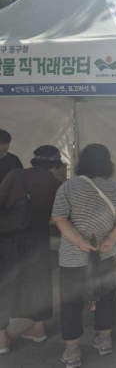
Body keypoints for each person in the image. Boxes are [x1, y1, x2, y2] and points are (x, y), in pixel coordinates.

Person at [52, 144, 116, 368]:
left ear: (83, 161)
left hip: (73, 255)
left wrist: (79, 241)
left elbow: (59, 218)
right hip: (106, 253)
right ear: (108, 162)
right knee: (105, 296)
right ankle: (104, 341)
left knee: (71, 302)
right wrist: (111, 239)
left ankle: (72, 352)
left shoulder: (68, 187)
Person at [0, 146, 63, 355]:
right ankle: (38, 328)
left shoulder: (16, 174)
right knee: (39, 280)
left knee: (5, 281)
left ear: (35, 159)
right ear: (55, 164)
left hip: (9, 237)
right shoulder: (56, 184)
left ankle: (2, 338)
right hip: (38, 238)